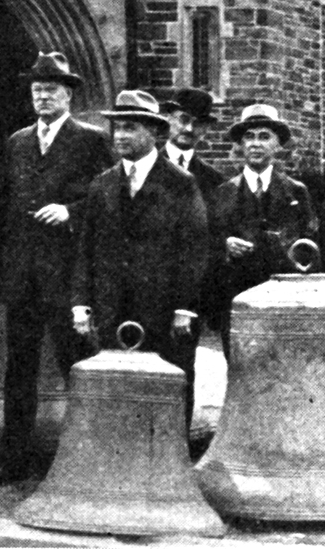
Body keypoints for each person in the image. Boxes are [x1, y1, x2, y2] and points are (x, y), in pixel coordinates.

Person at [0, 52, 113, 481]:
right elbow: (3, 205)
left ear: (68, 95)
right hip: (21, 274)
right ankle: (13, 460)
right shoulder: (18, 142)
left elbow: (107, 197)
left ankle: (84, 458)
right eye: (37, 90)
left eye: (51, 90)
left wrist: (70, 211)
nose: (42, 97)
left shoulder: (90, 140)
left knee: (74, 363)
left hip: (66, 274)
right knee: (18, 367)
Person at [71, 90, 210, 434]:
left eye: (130, 128)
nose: (120, 136)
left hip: (162, 310)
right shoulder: (102, 184)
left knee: (167, 386)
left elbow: (194, 249)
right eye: (116, 128)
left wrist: (185, 307)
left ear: (154, 132)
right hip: (112, 305)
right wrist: (81, 304)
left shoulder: (180, 184)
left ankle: (171, 460)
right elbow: (85, 248)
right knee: (116, 384)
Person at [205, 104, 318, 360]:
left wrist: (286, 247)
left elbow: (310, 244)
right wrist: (225, 245)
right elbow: (206, 241)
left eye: (264, 137)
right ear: (240, 145)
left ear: (278, 145)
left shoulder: (296, 192)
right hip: (236, 298)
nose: (256, 144)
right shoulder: (223, 193)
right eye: (249, 137)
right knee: (240, 368)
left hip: (282, 298)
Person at [160, 87, 226, 196]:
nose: (189, 129)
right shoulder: (146, 167)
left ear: (205, 129)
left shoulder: (215, 179)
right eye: (184, 119)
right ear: (169, 119)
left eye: (198, 123)